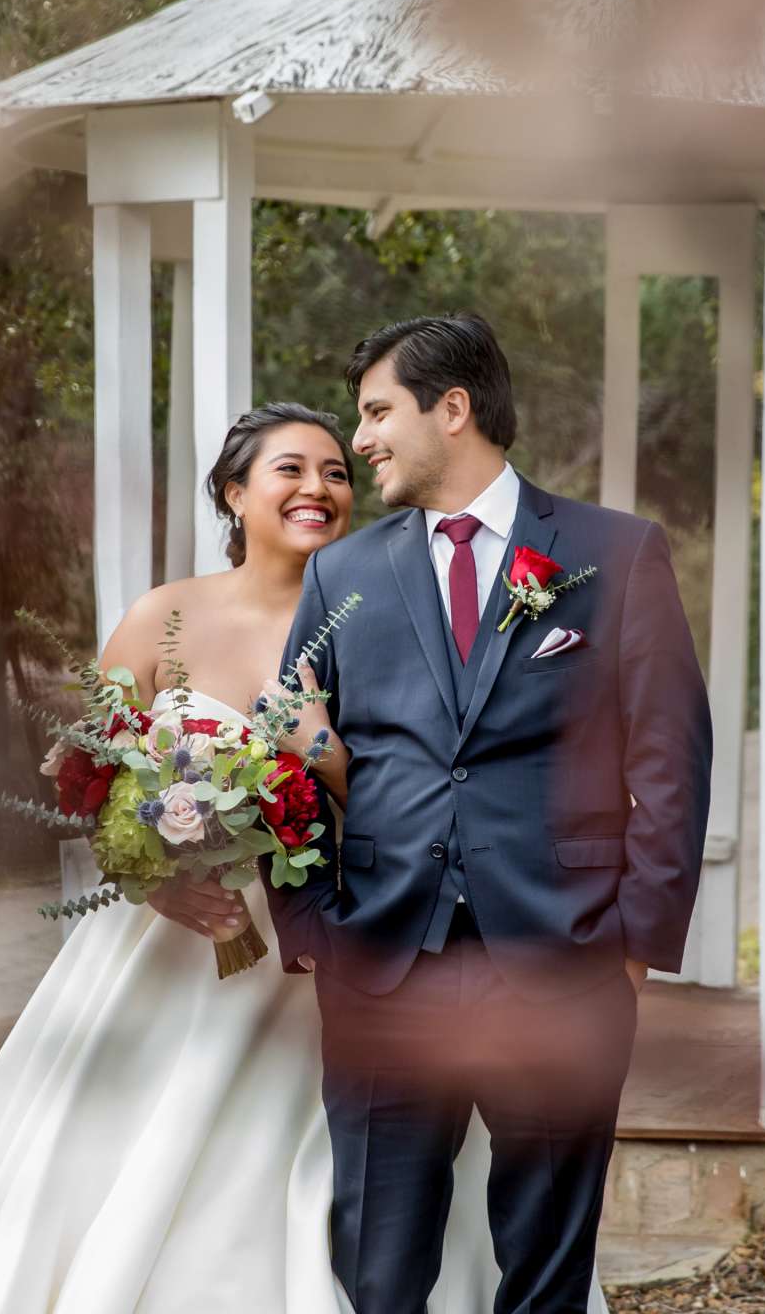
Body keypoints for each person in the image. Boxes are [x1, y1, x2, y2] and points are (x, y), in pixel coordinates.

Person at [0, 401, 607, 1313]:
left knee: (365, 1173)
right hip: (173, 953)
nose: (319, 488)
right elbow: (87, 779)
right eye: (291, 469)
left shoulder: (390, 616)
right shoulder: (160, 617)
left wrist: (325, 755)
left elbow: (431, 797)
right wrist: (155, 877)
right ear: (234, 491)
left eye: (336, 472)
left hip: (344, 942)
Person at [267, 314, 713, 1314]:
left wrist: (635, 941)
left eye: (379, 411)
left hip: (565, 956)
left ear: (454, 408)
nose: (364, 439)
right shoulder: (344, 574)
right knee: (378, 1270)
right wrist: (309, 929)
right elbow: (281, 757)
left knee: (546, 1268)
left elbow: (670, 756)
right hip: (383, 962)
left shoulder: (615, 553)